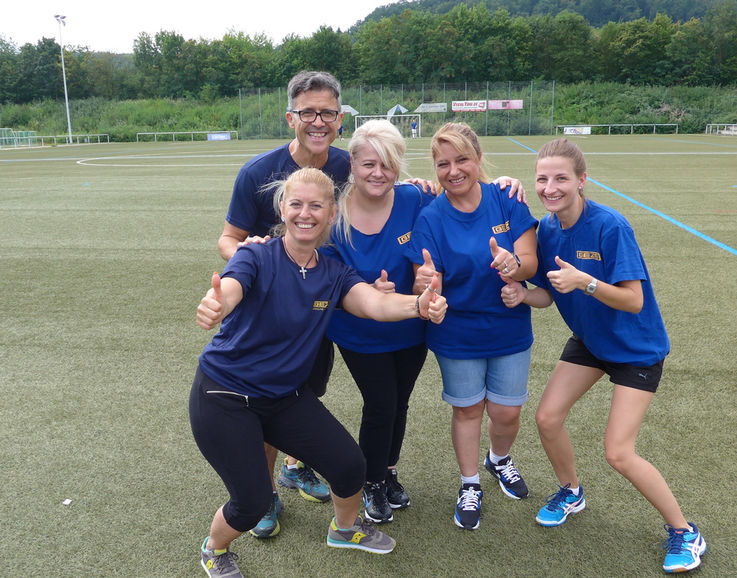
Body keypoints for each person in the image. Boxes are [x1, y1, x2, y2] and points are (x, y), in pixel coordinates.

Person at [193, 168, 447, 577]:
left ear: (332, 213)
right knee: (253, 501)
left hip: (283, 398)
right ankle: (214, 549)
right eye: (296, 204)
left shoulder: (333, 272)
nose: (305, 214)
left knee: (351, 467)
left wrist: (420, 305)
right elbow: (232, 287)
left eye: (316, 206)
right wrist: (217, 304)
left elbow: (374, 304)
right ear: (282, 208)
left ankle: (344, 529)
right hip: (225, 396)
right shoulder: (255, 254)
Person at [500, 138, 706, 573]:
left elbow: (633, 301)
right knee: (547, 418)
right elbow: (550, 297)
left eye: (561, 178)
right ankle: (571, 491)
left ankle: (685, 531)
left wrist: (585, 282)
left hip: (636, 351)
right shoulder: (548, 228)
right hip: (591, 343)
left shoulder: (611, 226)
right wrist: (522, 293)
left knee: (619, 452)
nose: (550, 187)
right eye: (542, 178)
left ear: (581, 181)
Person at [217, 70, 348, 537]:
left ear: (339, 118)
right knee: (269, 401)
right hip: (271, 315)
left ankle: (296, 466)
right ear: (290, 116)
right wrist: (251, 256)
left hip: (322, 310)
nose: (318, 121)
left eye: (327, 112)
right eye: (308, 112)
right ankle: (266, 491)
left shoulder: (349, 167)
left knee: (306, 394)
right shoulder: (258, 173)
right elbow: (228, 239)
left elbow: (390, 186)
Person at [407, 122, 539, 531]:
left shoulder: (507, 198)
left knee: (506, 411)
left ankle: (498, 460)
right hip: (456, 332)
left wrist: (514, 265)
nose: (453, 170)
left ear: (478, 159)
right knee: (467, 410)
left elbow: (530, 261)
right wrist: (430, 289)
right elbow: (425, 277)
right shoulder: (430, 216)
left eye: (462, 159)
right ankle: (469, 483)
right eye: (443, 163)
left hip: (508, 327)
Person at [322, 120, 434, 523]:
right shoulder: (333, 217)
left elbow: (464, 197)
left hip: (411, 325)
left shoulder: (416, 198)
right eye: (369, 163)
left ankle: (387, 472)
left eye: (387, 164)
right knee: (381, 402)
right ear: (351, 162)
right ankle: (370, 482)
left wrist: (505, 182)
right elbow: (330, 286)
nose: (378, 173)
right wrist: (368, 298)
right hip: (358, 331)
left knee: (399, 402)